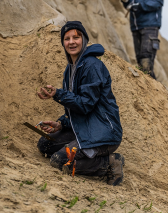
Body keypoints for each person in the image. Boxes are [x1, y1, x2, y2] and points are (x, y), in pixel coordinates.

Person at [36, 21, 124, 186]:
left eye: (76, 37)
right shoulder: (70, 69)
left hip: (103, 133)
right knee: (45, 144)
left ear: (84, 39)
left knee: (60, 161)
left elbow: (86, 105)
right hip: (84, 128)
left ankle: (110, 162)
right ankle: (89, 155)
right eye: (67, 38)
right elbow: (76, 110)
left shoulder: (93, 66)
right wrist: (60, 124)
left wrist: (58, 94)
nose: (71, 42)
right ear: (63, 42)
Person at [121, 0, 163, 79]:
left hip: (149, 26)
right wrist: (125, 1)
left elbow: (158, 1)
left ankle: (156, 97)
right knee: (141, 64)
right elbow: (131, 7)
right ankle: (153, 95)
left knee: (146, 62)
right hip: (135, 28)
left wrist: (140, 5)